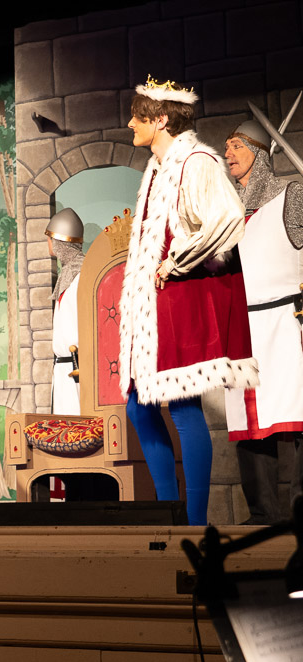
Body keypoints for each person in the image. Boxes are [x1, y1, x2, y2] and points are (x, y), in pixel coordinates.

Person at [117, 77, 257, 526]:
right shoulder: (156, 169)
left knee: (182, 405)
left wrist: (178, 261)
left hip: (180, 301)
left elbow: (228, 217)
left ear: (160, 119)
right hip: (154, 309)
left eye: (137, 116)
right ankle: (170, 512)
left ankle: (193, 524)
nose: (130, 124)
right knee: (138, 406)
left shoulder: (197, 162)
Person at [222, 120, 303, 524]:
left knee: (299, 412)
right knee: (248, 422)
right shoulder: (227, 213)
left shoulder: (292, 195)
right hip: (243, 328)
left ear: (258, 151)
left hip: (288, 319)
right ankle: (263, 511)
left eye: (236, 145)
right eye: (226, 147)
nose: (228, 153)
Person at [46, 208, 85, 416]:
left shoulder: (82, 275)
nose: (48, 243)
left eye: (50, 239)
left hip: (78, 368)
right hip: (63, 368)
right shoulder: (68, 274)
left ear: (60, 242)